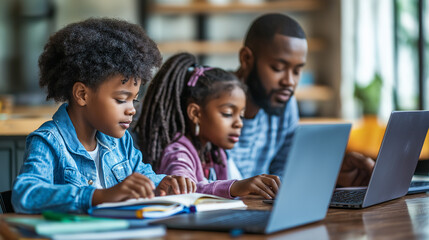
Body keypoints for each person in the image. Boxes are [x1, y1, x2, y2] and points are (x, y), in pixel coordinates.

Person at [12, 18, 196, 214]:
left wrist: (165, 183)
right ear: (82, 95)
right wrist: (97, 196)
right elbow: (25, 194)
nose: (131, 110)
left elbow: (144, 176)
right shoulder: (49, 142)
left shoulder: (120, 142)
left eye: (133, 100)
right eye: (120, 99)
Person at [227, 13, 375, 186]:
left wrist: (332, 178)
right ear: (246, 59)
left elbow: (284, 175)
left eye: (297, 71)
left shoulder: (285, 104)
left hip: (258, 209)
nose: (289, 81)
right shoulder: (213, 101)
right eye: (278, 68)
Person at [133, 53, 280, 199]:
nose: (239, 123)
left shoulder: (215, 153)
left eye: (241, 115)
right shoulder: (177, 153)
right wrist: (235, 187)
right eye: (228, 113)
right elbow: (184, 191)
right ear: (195, 113)